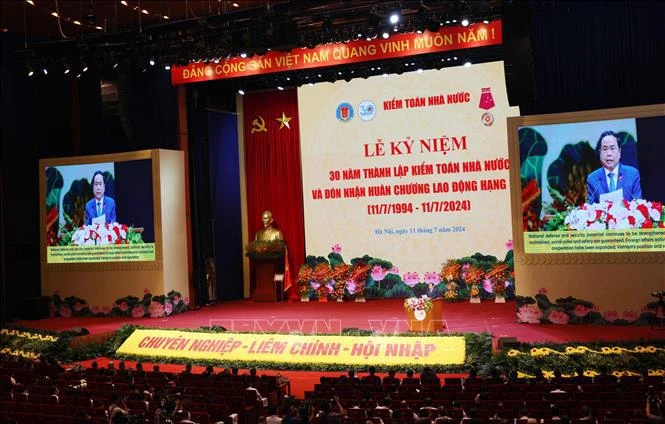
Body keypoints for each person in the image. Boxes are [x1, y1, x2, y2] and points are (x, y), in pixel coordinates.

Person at [586, 130, 642, 204]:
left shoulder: (632, 174)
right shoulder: (592, 179)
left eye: (612, 148)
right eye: (605, 149)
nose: (609, 153)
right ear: (600, 153)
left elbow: (639, 205)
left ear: (619, 152)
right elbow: (590, 209)